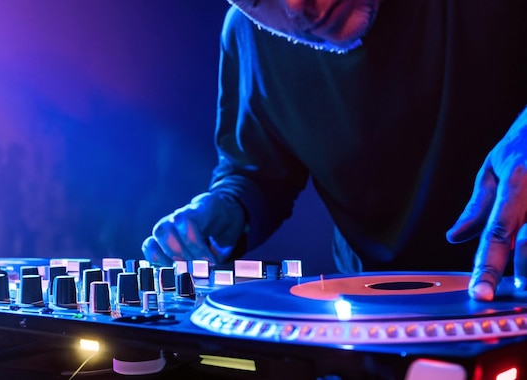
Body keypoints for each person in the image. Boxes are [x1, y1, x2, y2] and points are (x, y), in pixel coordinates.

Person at [142, 0, 527, 302]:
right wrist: (226, 209)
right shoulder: (248, 33)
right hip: (367, 318)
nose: (296, 6)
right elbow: (256, 172)